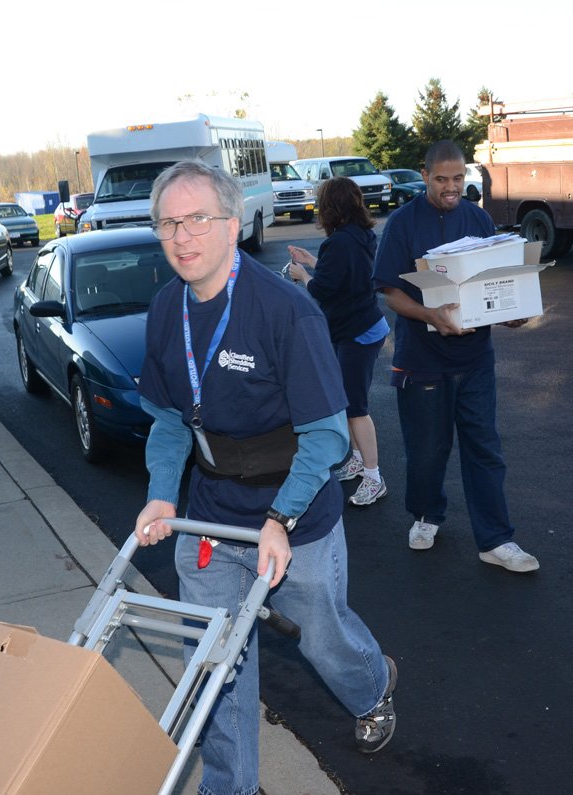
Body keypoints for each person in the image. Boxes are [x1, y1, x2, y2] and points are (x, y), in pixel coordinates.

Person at [133, 160, 397, 795]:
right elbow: (170, 420)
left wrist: (280, 519)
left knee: (322, 639)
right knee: (216, 663)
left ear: (231, 224)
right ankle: (232, 788)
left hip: (295, 511)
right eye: (169, 222)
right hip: (212, 511)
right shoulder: (168, 310)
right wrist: (162, 493)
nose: (183, 235)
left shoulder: (285, 311)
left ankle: (372, 687)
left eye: (198, 219)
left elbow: (330, 436)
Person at [372, 140, 540, 573]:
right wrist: (430, 314)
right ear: (425, 175)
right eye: (442, 179)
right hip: (422, 359)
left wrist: (511, 314)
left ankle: (496, 540)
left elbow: (494, 285)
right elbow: (391, 293)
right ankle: (427, 515)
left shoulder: (479, 218)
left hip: (475, 359)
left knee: (485, 449)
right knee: (428, 451)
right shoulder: (403, 223)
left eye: (458, 178)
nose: (451, 187)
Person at [286, 176, 390, 506]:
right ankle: (359, 460)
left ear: (330, 207)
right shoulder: (360, 236)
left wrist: (302, 276)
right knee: (348, 400)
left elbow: (324, 290)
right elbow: (348, 276)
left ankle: (374, 476)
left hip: (356, 332)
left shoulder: (339, 242)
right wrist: (314, 262)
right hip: (367, 327)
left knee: (356, 407)